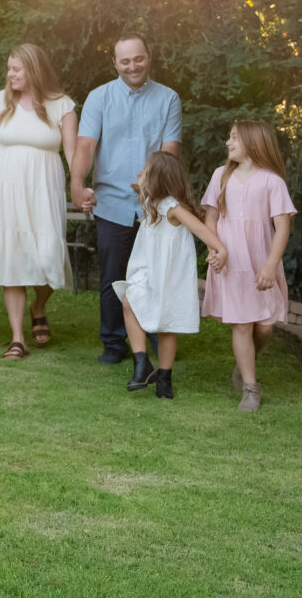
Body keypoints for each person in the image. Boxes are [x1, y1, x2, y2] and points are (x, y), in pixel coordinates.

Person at [0, 43, 78, 360]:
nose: (10, 74)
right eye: (9, 68)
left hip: (44, 188)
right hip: (5, 188)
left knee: (48, 255)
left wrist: (81, 184)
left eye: (16, 69)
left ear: (34, 69)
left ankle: (39, 305)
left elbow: (71, 152)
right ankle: (17, 338)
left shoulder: (62, 106)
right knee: (13, 258)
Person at [69, 34, 182, 364]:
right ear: (115, 63)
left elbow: (169, 150)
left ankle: (158, 336)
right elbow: (86, 145)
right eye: (125, 61)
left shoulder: (168, 98)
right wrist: (77, 184)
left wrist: (151, 180)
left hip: (155, 204)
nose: (133, 66)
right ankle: (114, 343)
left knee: (157, 274)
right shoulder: (99, 98)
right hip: (112, 202)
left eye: (138, 58)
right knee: (114, 276)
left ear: (149, 57)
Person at [114, 151, 228, 399]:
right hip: (147, 270)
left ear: (156, 178)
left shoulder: (172, 208)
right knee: (128, 301)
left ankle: (164, 379)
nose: (138, 174)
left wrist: (220, 249)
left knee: (167, 326)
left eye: (144, 170)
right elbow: (141, 188)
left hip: (169, 274)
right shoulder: (152, 203)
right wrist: (142, 186)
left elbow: (198, 227)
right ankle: (142, 364)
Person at [201, 120, 297, 412]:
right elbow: (210, 219)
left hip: (260, 262)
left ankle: (246, 362)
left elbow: (282, 228)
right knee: (242, 324)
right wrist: (214, 249)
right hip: (231, 262)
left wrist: (270, 265)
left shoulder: (272, 181)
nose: (227, 143)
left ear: (253, 143)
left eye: (233, 138)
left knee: (265, 328)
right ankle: (250, 387)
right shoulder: (221, 176)